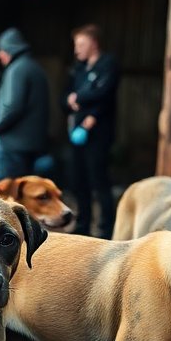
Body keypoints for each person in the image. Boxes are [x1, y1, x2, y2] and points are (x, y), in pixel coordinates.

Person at [64, 24, 119, 238]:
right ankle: (83, 225)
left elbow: (103, 93)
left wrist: (79, 98)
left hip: (98, 137)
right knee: (79, 181)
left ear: (93, 43)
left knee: (99, 182)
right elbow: (66, 96)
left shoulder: (108, 64)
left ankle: (106, 229)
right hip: (77, 134)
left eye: (81, 44)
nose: (77, 49)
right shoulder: (79, 68)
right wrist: (72, 100)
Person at [0, 28, 48, 180]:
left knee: (8, 194)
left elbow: (12, 107)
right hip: (33, 145)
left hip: (14, 147)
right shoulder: (35, 68)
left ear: (10, 49)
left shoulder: (16, 69)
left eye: (1, 50)